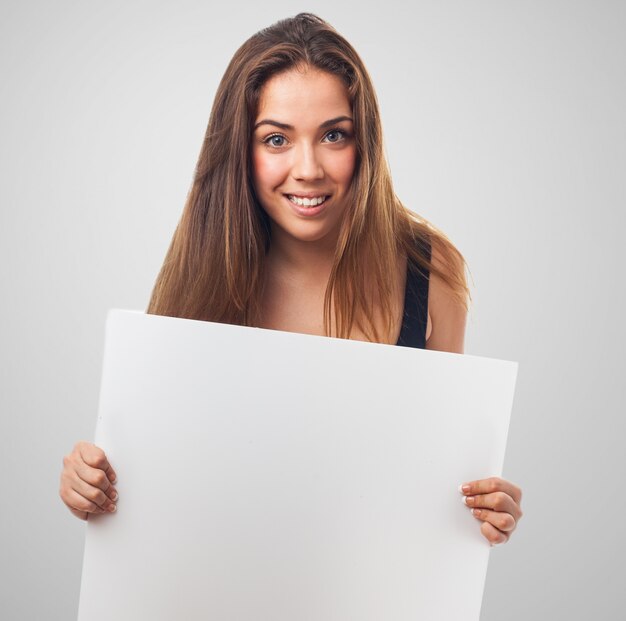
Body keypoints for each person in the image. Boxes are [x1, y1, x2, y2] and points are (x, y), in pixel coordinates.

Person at [59, 13, 522, 545]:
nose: (308, 169)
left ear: (364, 142)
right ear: (240, 149)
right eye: (276, 139)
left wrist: (485, 507)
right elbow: (154, 472)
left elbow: (441, 477)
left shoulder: (430, 269)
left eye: (333, 135)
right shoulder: (204, 268)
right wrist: (88, 482)